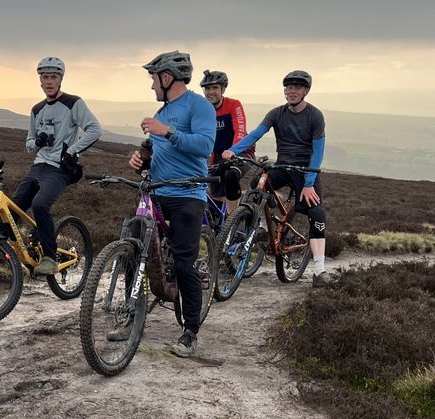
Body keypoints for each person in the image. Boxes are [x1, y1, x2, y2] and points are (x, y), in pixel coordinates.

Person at [122, 51, 216, 358]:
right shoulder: (160, 114)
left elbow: (204, 146)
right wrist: (141, 159)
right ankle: (129, 316)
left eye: (153, 79)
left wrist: (170, 132)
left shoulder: (198, 105)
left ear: (167, 78)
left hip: (189, 194)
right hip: (157, 192)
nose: (151, 86)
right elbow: (157, 151)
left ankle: (190, 331)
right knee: (133, 248)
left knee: (185, 263)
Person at [222, 69, 330, 287]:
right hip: (282, 165)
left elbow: (318, 152)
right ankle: (262, 225)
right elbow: (256, 133)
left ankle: (320, 271)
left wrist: (309, 183)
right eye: (289, 87)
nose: (292, 91)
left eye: (297, 87)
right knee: (256, 185)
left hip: (305, 169)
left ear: (306, 91)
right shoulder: (276, 113)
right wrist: (233, 150)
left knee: (316, 212)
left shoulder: (315, 115)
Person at [11, 56, 102, 275]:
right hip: (38, 166)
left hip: (59, 168)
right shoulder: (37, 109)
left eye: (53, 77)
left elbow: (94, 129)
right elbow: (28, 145)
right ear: (40, 81)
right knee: (13, 208)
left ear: (60, 79)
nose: (49, 81)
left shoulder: (73, 103)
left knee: (40, 205)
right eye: (45, 77)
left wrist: (72, 150)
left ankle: (49, 258)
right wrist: (37, 142)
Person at [199, 69, 249, 213]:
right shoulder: (202, 110)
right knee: (216, 206)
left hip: (241, 152)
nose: (210, 92)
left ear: (223, 89)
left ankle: (233, 222)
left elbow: (240, 129)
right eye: (207, 88)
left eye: (215, 87)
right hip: (217, 156)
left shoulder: (233, 104)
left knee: (231, 176)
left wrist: (233, 151)